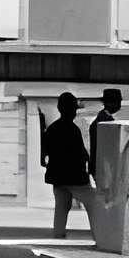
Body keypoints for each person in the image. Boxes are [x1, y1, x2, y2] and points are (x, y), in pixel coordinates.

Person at [41, 94, 99, 240]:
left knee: (61, 208)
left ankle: (58, 236)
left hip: (57, 177)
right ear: (70, 110)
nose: (75, 112)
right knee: (94, 204)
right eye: (74, 109)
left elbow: (44, 156)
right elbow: (81, 154)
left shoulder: (52, 129)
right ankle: (100, 235)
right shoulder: (73, 129)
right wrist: (89, 168)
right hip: (75, 177)